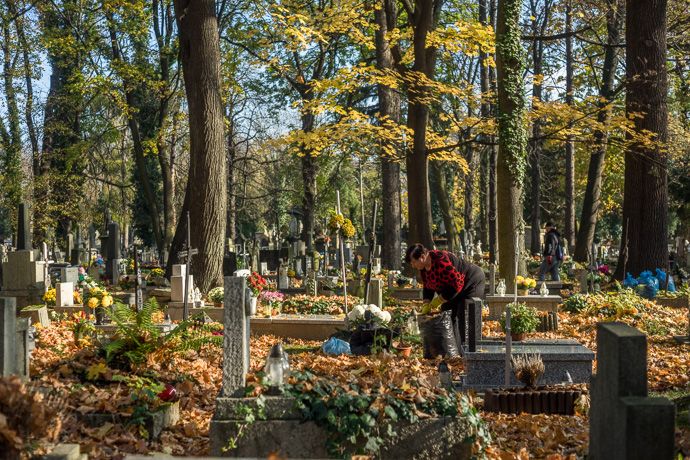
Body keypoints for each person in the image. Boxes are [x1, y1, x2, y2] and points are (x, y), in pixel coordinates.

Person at [404, 243, 485, 348]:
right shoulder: (423, 269)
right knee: (446, 316)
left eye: (414, 262)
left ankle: (468, 350)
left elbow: (457, 284)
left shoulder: (440, 260)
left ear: (423, 257)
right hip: (450, 289)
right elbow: (427, 286)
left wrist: (439, 300)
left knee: (463, 314)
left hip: (471, 280)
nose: (413, 265)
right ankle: (452, 350)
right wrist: (426, 305)